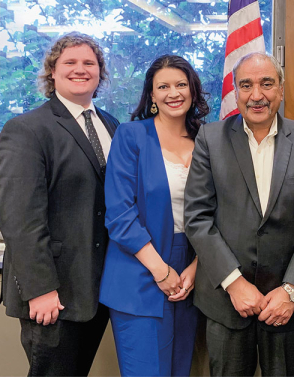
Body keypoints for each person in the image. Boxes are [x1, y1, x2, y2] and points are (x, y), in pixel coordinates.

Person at [184, 52, 294, 376]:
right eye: (246, 85)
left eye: (267, 84)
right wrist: (234, 284)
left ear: (281, 89)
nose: (257, 95)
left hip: (286, 305)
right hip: (225, 302)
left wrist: (291, 290)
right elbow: (197, 217)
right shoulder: (211, 139)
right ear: (235, 91)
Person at [0, 32, 119, 376]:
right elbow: (20, 218)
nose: (80, 70)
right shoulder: (27, 129)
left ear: (100, 73)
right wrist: (40, 289)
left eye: (89, 63)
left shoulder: (111, 125)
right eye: (70, 62)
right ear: (52, 72)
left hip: (97, 290)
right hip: (54, 293)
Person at [98, 55, 209, 377]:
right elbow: (119, 214)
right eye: (163, 86)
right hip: (139, 270)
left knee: (179, 370)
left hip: (192, 272)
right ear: (152, 95)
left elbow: (221, 210)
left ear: (193, 91)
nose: (173, 93)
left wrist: (196, 267)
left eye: (180, 85)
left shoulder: (207, 139)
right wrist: (160, 271)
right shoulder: (131, 136)